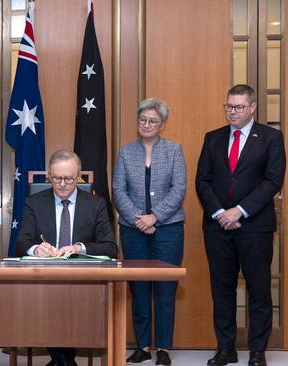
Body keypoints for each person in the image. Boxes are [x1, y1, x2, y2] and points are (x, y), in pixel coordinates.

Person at [196, 84, 285, 366]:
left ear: (252, 108)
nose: (232, 113)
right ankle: (225, 349)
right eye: (228, 107)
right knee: (222, 290)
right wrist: (222, 212)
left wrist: (240, 211)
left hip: (255, 227)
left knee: (259, 290)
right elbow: (203, 181)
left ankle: (257, 350)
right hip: (217, 226)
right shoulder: (213, 138)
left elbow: (273, 181)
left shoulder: (271, 137)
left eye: (238, 107)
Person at [15, 149, 117, 366]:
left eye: (69, 178)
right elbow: (21, 243)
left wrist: (80, 248)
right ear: (49, 176)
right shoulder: (34, 203)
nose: (62, 184)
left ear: (78, 176)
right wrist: (36, 249)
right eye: (57, 178)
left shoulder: (95, 205)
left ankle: (62, 359)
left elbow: (110, 248)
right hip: (45, 281)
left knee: (70, 300)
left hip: (84, 283)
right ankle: (64, 360)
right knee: (53, 297)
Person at [112, 98, 186, 366]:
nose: (146, 124)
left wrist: (155, 216)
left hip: (168, 229)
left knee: (165, 289)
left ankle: (164, 347)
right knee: (139, 288)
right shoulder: (125, 152)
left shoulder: (174, 151)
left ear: (162, 124)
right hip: (133, 231)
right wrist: (138, 219)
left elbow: (179, 189)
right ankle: (142, 346)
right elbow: (118, 190)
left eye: (152, 121)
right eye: (142, 120)